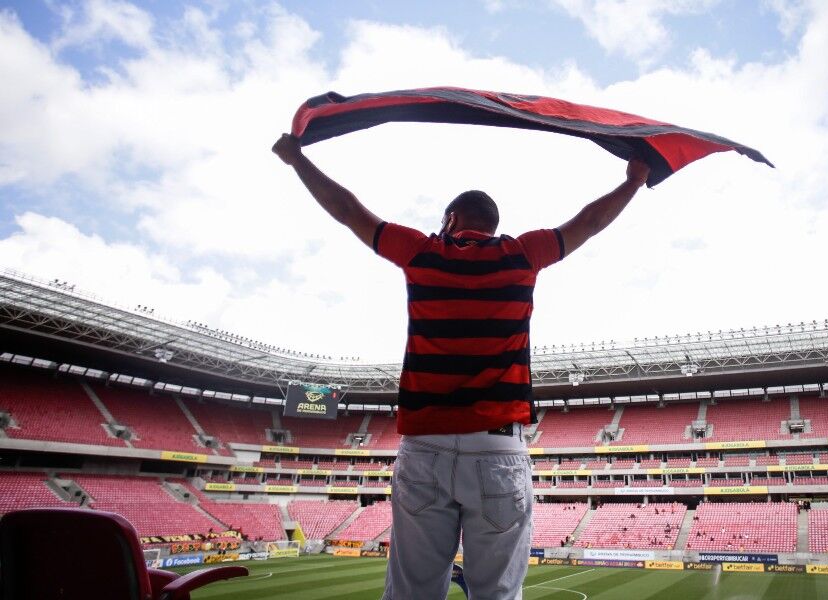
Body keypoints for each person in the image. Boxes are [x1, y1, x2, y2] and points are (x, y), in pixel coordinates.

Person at [272, 133, 649, 600]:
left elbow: (349, 211)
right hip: (496, 450)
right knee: (496, 595)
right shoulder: (523, 254)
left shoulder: (420, 252)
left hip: (425, 444)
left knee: (412, 593)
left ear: (450, 219)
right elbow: (589, 222)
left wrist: (298, 161)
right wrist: (632, 183)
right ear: (493, 224)